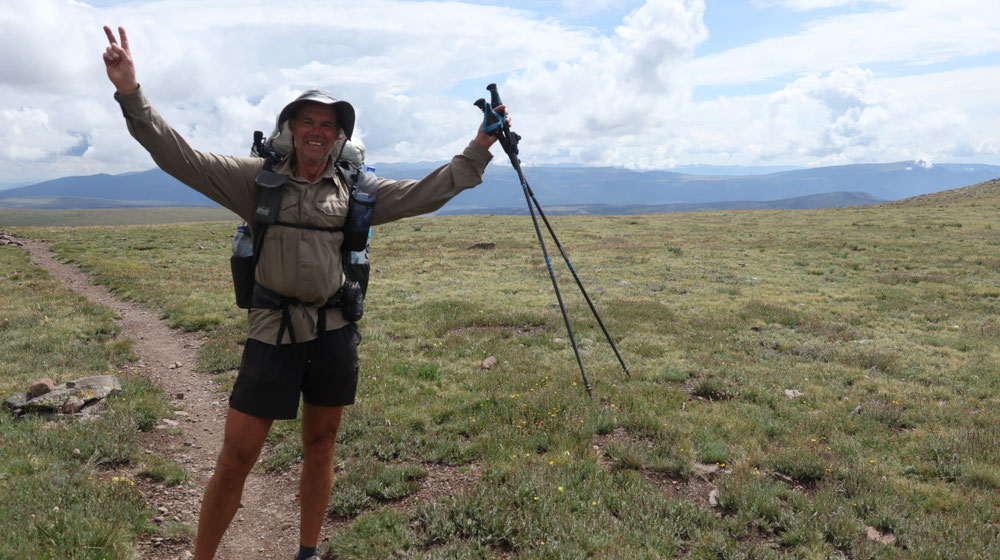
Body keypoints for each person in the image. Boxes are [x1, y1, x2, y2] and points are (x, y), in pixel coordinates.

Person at [101, 25, 504, 560]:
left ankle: (308, 552)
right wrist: (132, 93)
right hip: (272, 333)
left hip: (335, 333)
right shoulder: (255, 181)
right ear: (291, 129)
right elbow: (180, 157)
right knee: (236, 456)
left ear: (338, 137)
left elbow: (427, 192)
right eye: (308, 122)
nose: (317, 132)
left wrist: (479, 146)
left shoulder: (359, 192)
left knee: (321, 446)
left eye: (328, 126)